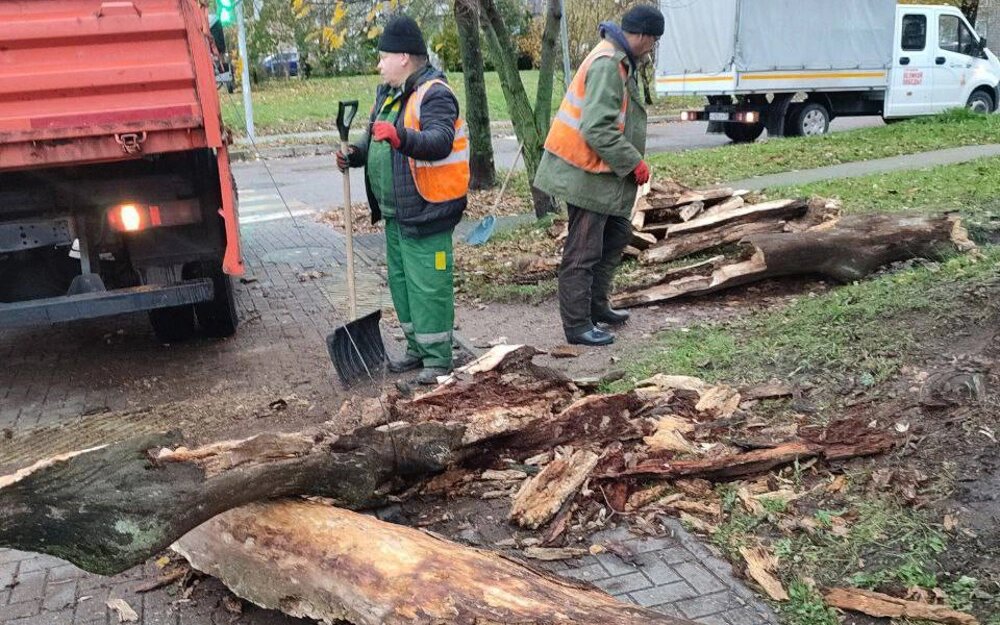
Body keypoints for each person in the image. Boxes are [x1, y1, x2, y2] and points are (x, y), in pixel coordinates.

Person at [336, 16, 469, 384]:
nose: (379, 64)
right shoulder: (389, 93)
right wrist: (354, 154)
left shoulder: (435, 93)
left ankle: (438, 360)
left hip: (429, 211)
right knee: (402, 284)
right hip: (396, 213)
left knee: (429, 286)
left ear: (405, 57)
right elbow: (372, 138)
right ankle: (416, 349)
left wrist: (400, 137)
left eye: (384, 57)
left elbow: (439, 141)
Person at [534, 4, 664, 346]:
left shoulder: (620, 59)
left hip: (597, 171)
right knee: (584, 250)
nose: (652, 48)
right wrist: (633, 162)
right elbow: (597, 127)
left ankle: (596, 306)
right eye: (653, 41)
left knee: (617, 233)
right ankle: (577, 326)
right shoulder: (609, 63)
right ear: (643, 36)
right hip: (584, 171)